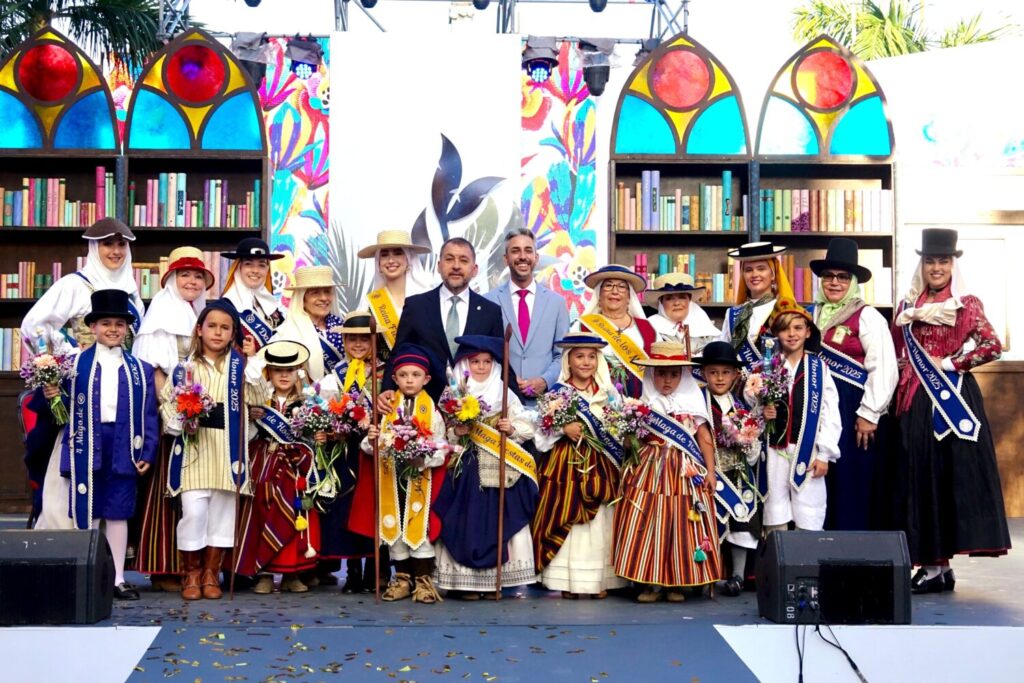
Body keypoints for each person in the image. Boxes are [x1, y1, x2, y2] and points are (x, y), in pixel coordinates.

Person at [890, 228, 1010, 593]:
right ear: (922, 264)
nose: (936, 267)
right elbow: (899, 354)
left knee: (944, 481)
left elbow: (992, 345)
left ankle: (934, 565)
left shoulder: (966, 303)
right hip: (913, 399)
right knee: (918, 480)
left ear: (952, 264)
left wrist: (953, 364)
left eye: (943, 261)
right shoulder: (908, 305)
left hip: (950, 401)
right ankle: (936, 566)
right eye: (930, 261)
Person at [23, 218, 145, 531]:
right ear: (94, 247)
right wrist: (68, 356)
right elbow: (33, 325)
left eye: (121, 244)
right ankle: (67, 536)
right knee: (73, 461)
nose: (115, 251)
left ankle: (114, 552)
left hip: (121, 392)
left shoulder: (132, 293)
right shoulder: (75, 285)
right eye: (107, 244)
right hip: (81, 387)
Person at [44, 289, 158, 600]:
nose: (112, 329)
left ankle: (118, 577)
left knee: (119, 512)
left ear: (127, 328)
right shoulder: (73, 365)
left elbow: (149, 415)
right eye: (106, 323)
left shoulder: (141, 369)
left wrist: (147, 450)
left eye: (119, 324)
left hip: (124, 444)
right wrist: (54, 396)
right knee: (89, 510)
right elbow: (62, 413)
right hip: (86, 444)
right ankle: (90, 574)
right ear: (93, 327)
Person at [162, 299, 270, 600]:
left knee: (223, 517)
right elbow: (167, 405)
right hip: (194, 453)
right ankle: (191, 573)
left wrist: (253, 365)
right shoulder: (185, 370)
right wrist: (178, 420)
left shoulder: (240, 366)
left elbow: (259, 399)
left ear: (234, 333)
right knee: (194, 512)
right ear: (199, 330)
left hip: (228, 454)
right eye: (212, 326)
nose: (218, 333)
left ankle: (211, 573)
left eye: (225, 328)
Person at [132, 246, 216, 591]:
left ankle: (193, 566)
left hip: (197, 412)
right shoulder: (162, 316)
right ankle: (165, 568)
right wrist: (178, 408)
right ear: (170, 280)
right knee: (168, 493)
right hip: (172, 416)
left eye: (198, 276)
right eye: (186, 275)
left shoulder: (197, 312)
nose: (192, 281)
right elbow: (154, 371)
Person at [613, 341, 720, 603]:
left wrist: (710, 471)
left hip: (684, 470)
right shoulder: (643, 403)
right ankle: (650, 583)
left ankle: (678, 583)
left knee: (681, 523)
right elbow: (630, 441)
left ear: (683, 375)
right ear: (652, 374)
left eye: (674, 374)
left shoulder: (691, 403)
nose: (667, 380)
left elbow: (704, 437)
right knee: (648, 521)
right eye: (661, 373)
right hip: (648, 468)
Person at [433, 335, 538, 598]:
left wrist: (510, 428)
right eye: (475, 361)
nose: (481, 367)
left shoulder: (504, 392)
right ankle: (464, 583)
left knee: (498, 518)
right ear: (464, 364)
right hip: (462, 469)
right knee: (461, 519)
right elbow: (439, 431)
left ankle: (495, 583)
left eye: (487, 361)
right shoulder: (452, 395)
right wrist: (456, 429)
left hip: (498, 470)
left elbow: (526, 425)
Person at [808, 238, 898, 531]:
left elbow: (884, 368)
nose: (834, 282)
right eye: (828, 276)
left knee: (853, 480)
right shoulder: (810, 315)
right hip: (816, 410)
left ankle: (855, 553)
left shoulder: (868, 316)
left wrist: (868, 415)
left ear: (854, 282)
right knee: (821, 479)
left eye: (843, 277)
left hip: (853, 412)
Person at [350, 344, 451, 603]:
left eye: (415, 375)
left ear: (426, 378)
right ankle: (403, 579)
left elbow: (442, 447)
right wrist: (371, 440)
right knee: (393, 529)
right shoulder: (385, 408)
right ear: (394, 378)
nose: (409, 380)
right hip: (392, 479)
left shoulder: (433, 411)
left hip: (420, 478)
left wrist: (423, 456)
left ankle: (424, 582)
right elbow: (371, 447)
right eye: (403, 375)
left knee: (420, 528)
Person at [532, 333, 627, 599]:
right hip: (564, 464)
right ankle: (567, 581)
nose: (585, 362)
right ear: (568, 361)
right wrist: (564, 427)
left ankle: (599, 580)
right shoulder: (557, 393)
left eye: (591, 357)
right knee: (565, 515)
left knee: (601, 521)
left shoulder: (609, 394)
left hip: (602, 464)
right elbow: (540, 435)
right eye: (579, 356)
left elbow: (619, 430)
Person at [236, 340, 321, 594]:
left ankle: (291, 573)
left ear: (299, 372)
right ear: (268, 373)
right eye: (277, 370)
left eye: (290, 370)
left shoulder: (309, 401)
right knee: (261, 514)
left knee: (296, 514)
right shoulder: (258, 398)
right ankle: (263, 572)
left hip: (294, 466)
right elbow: (248, 435)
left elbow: (311, 437)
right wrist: (249, 417)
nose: (284, 375)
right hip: (262, 462)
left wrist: (316, 438)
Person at [379, 237, 507, 404]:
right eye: (449, 259)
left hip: (475, 409)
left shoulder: (491, 311)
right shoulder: (416, 306)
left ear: (474, 269)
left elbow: (501, 360)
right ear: (439, 266)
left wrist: (516, 407)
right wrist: (388, 387)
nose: (455, 266)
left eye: (463, 260)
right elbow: (399, 351)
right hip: (425, 407)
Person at [750, 305, 840, 533]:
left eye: (798, 328)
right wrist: (763, 410)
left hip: (808, 450)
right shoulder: (765, 366)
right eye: (785, 329)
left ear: (808, 332)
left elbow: (831, 413)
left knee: (810, 509)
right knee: (774, 507)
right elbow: (749, 403)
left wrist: (824, 454)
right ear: (776, 334)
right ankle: (776, 562)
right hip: (774, 448)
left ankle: (807, 564)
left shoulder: (819, 368)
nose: (792, 334)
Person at [316, 312, 381, 592]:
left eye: (364, 339)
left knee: (374, 506)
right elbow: (325, 410)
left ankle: (375, 570)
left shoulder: (384, 372)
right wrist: (332, 429)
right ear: (343, 340)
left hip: (376, 448)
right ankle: (353, 569)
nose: (357, 344)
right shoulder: (335, 375)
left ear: (373, 340)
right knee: (347, 507)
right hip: (345, 450)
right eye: (352, 338)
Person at [697, 341, 761, 597]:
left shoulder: (743, 407)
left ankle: (737, 575)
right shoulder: (698, 404)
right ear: (704, 374)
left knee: (742, 521)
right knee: (706, 524)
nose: (719, 378)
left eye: (725, 372)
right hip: (708, 472)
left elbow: (755, 451)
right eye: (713, 372)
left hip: (737, 474)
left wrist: (746, 442)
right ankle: (703, 575)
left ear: (736, 375)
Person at [484, 228, 570, 406]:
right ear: (506, 259)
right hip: (501, 405)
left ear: (536, 258)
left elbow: (563, 355)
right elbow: (485, 355)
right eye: (515, 251)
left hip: (546, 405)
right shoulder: (488, 301)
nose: (522, 256)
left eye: (528, 250)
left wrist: (544, 381)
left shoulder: (557, 303)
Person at [577, 265, 655, 398]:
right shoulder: (583, 326)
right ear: (599, 295)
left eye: (621, 287)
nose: (615, 291)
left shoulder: (648, 328)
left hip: (642, 402)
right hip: (594, 399)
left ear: (629, 297)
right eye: (608, 286)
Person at [357, 230, 433, 355]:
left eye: (398, 253)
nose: (391, 260)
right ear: (378, 263)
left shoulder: (427, 299)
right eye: (385, 255)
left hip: (420, 371)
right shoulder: (368, 303)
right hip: (382, 373)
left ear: (409, 259)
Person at [720, 241, 792, 366]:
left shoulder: (783, 311)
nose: (754, 275)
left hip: (772, 381)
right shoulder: (732, 313)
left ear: (773, 274)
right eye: (748, 270)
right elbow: (724, 352)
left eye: (761, 268)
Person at [272, 266, 345, 382]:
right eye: (315, 293)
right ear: (302, 299)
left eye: (327, 291)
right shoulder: (286, 334)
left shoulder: (344, 327)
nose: (324, 298)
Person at [221, 237, 287, 350]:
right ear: (238, 267)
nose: (255, 270)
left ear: (267, 269)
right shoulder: (225, 306)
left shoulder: (274, 307)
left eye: (261, 265)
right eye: (248, 264)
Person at [646, 272, 721, 354]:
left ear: (689, 300)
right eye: (669, 298)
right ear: (661, 302)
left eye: (682, 297)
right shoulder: (649, 327)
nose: (677, 303)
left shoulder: (705, 325)